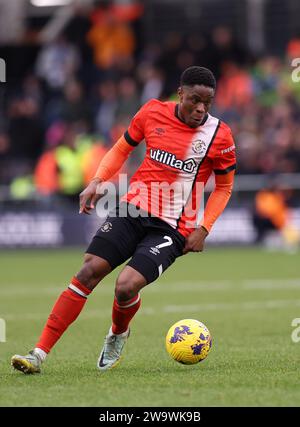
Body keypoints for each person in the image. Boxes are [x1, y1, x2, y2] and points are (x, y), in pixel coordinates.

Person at [11, 66, 236, 374]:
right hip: (132, 210)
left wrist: (204, 228)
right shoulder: (152, 112)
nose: (200, 109)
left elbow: (224, 187)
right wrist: (98, 180)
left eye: (207, 103)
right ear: (180, 93)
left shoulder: (219, 135)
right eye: (194, 100)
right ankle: (38, 353)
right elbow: (121, 148)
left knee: (126, 287)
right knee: (88, 271)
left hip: (172, 227)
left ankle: (118, 333)